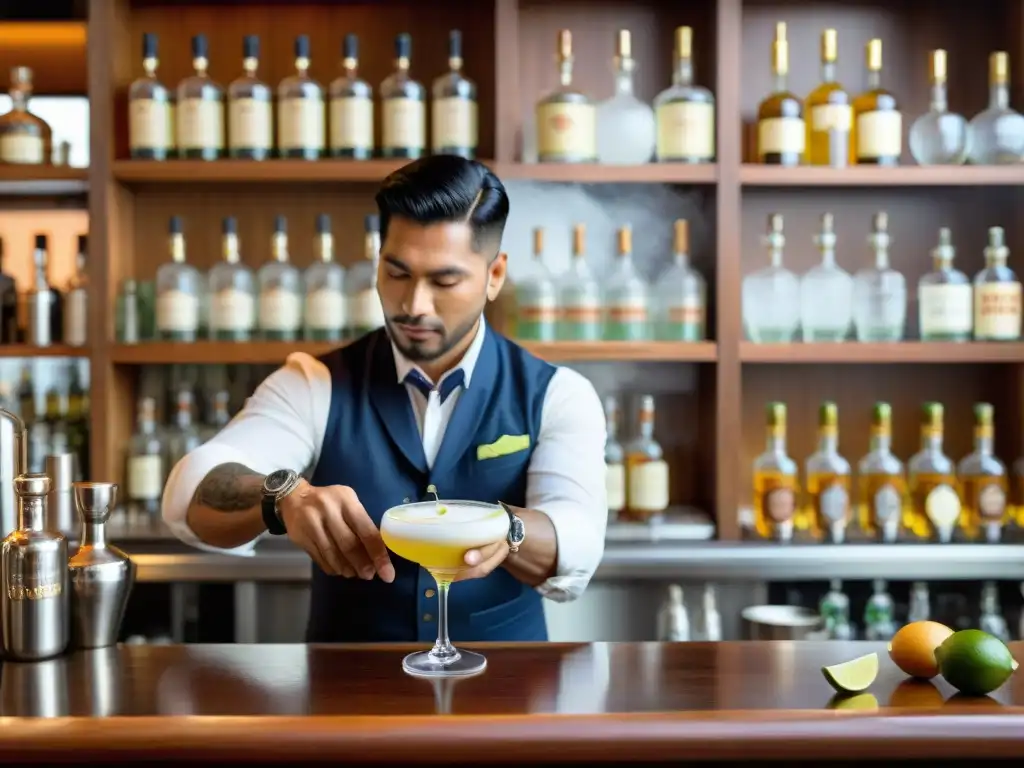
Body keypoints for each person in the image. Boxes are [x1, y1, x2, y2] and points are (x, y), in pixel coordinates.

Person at [162, 155, 608, 643]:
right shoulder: (314, 382)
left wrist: (506, 526)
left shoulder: (557, 394)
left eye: (444, 281)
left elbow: (579, 539)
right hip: (349, 699)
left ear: (495, 274)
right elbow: (192, 490)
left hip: (506, 696)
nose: (414, 305)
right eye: (397, 273)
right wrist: (282, 497)